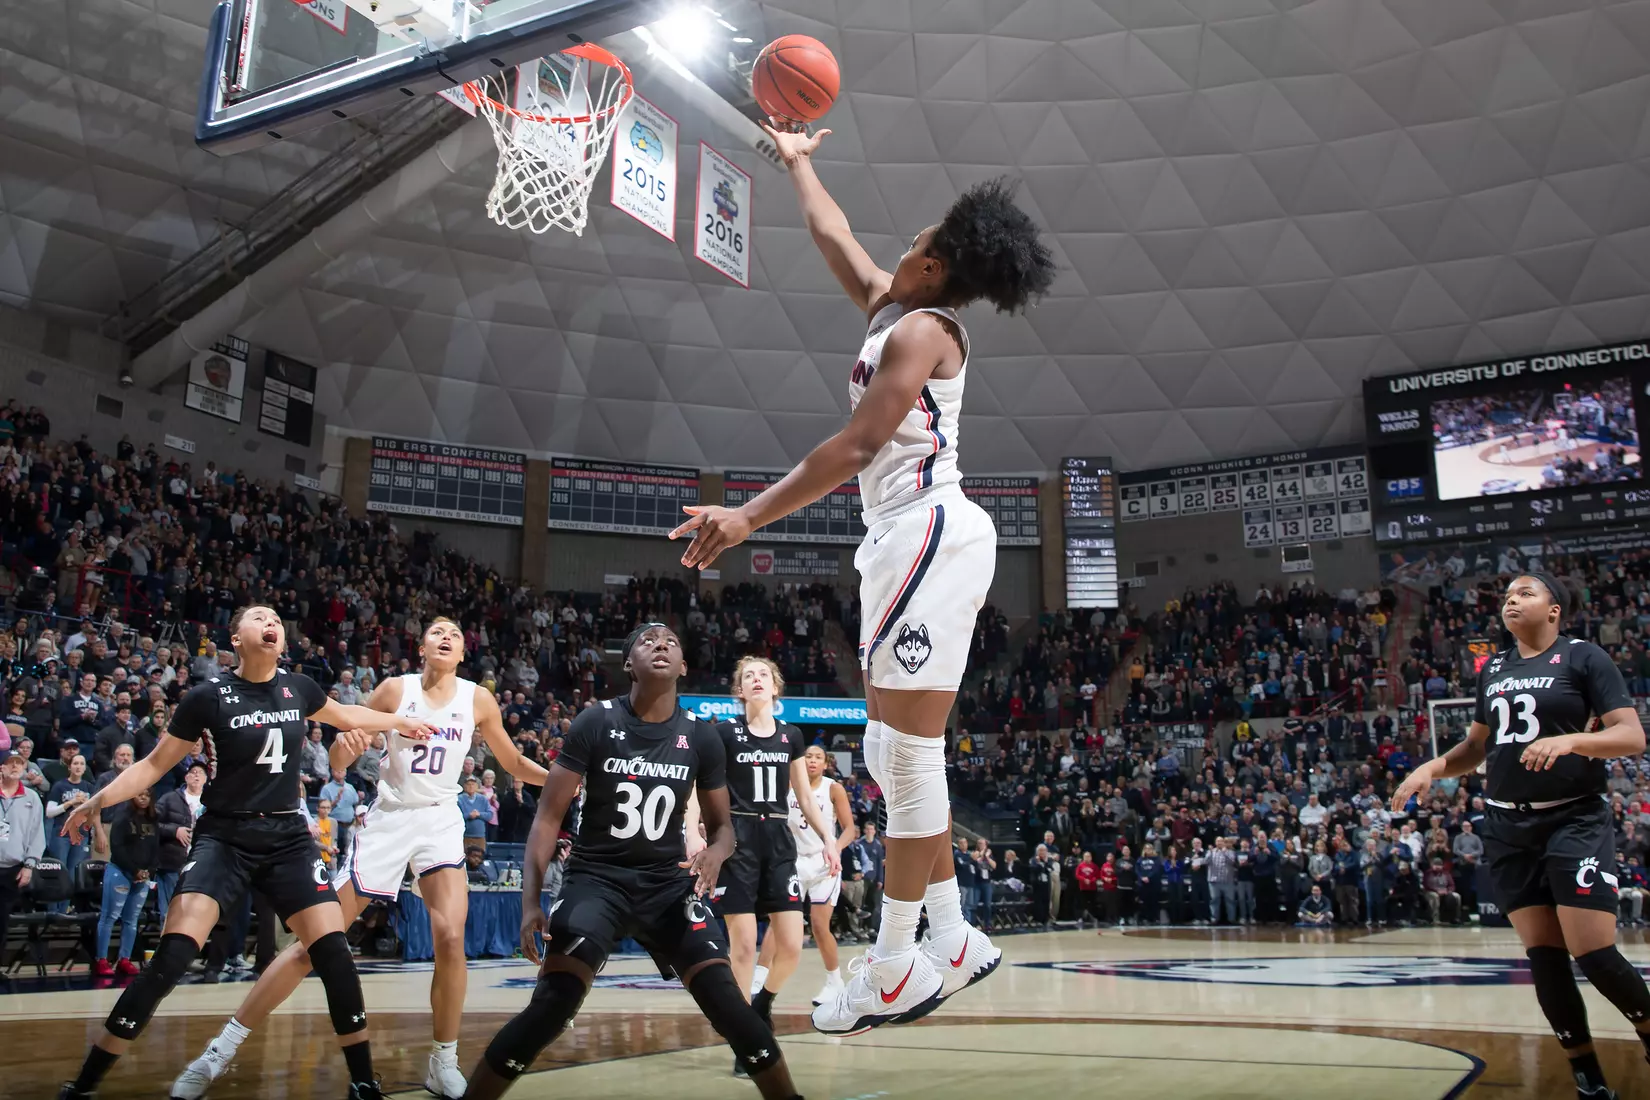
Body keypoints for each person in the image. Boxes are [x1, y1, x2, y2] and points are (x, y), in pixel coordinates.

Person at [671, 124, 1053, 1036]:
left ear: (932, 268)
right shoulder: (893, 308)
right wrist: (798, 159)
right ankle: (953, 935)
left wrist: (747, 517)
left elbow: (857, 446)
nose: (902, 243)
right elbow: (833, 235)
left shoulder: (924, 329)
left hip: (929, 531)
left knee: (907, 757)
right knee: (890, 754)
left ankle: (893, 966)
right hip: (899, 541)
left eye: (917, 240)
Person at [58, 604, 434, 1100]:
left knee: (335, 953)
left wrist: (397, 721)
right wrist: (99, 800)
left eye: (275, 618)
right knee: (172, 956)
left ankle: (364, 1082)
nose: (271, 623)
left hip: (287, 839)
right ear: (235, 638)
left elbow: (346, 715)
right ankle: (85, 1084)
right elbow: (152, 765)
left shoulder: (299, 687)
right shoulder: (206, 697)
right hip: (224, 837)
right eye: (259, 617)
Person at [171, 617, 547, 1100]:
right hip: (389, 817)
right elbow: (342, 749)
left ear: (463, 652)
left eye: (455, 633)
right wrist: (344, 753)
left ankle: (443, 1060)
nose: (447, 637)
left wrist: (566, 778)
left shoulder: (478, 699)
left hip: (439, 820)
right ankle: (218, 1051)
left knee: (451, 936)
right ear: (422, 645)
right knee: (315, 944)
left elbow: (513, 763)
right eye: (437, 631)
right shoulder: (395, 690)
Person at [459, 624, 803, 1100]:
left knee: (731, 1006)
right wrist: (531, 902)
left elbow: (724, 828)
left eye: (670, 642)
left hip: (668, 886)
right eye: (647, 641)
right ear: (627, 663)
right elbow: (547, 817)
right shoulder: (594, 722)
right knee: (554, 1004)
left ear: (683, 666)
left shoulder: (702, 738)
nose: (660, 645)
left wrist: (716, 853)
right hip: (597, 881)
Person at [1392, 573, 1650, 1100]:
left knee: (1595, 953)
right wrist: (1431, 768)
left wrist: (1573, 741)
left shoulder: (1584, 658)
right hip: (1508, 824)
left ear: (1555, 609)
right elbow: (1475, 749)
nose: (1512, 600)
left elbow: (1631, 736)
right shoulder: (1494, 668)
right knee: (1545, 958)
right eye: (1508, 595)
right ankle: (1588, 1078)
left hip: (1572, 818)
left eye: (1526, 593)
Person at [684, 657, 836, 1079]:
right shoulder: (723, 733)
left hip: (778, 842)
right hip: (737, 842)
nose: (755, 680)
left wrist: (828, 840)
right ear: (739, 689)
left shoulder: (792, 735)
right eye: (748, 676)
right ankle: (746, 1035)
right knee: (745, 944)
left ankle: (762, 1003)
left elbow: (804, 798)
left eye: (762, 675)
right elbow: (701, 783)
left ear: (775, 688)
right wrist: (693, 831)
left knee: (790, 945)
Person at [752, 743, 855, 1009]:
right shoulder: (787, 784)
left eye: (818, 757)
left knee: (820, 926)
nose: (812, 761)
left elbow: (850, 830)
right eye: (808, 756)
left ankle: (835, 982)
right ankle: (759, 977)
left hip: (823, 862)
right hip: (792, 860)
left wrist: (835, 849)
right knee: (779, 921)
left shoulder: (834, 789)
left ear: (826, 763)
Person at [93, 787, 159, 976]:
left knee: (131, 920)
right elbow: (117, 848)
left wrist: (149, 871)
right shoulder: (122, 817)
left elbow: (155, 849)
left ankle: (125, 959)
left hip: (142, 877)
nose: (144, 798)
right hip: (120, 872)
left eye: (147, 795)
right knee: (110, 917)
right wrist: (134, 870)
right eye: (140, 794)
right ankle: (102, 960)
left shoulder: (153, 820)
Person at [0, 749, 46, 968]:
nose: (17, 766)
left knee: (1, 922)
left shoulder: (31, 798)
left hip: (12, 868)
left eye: (20, 763)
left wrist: (30, 865)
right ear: (1, 767)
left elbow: (37, 834)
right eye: (11, 763)